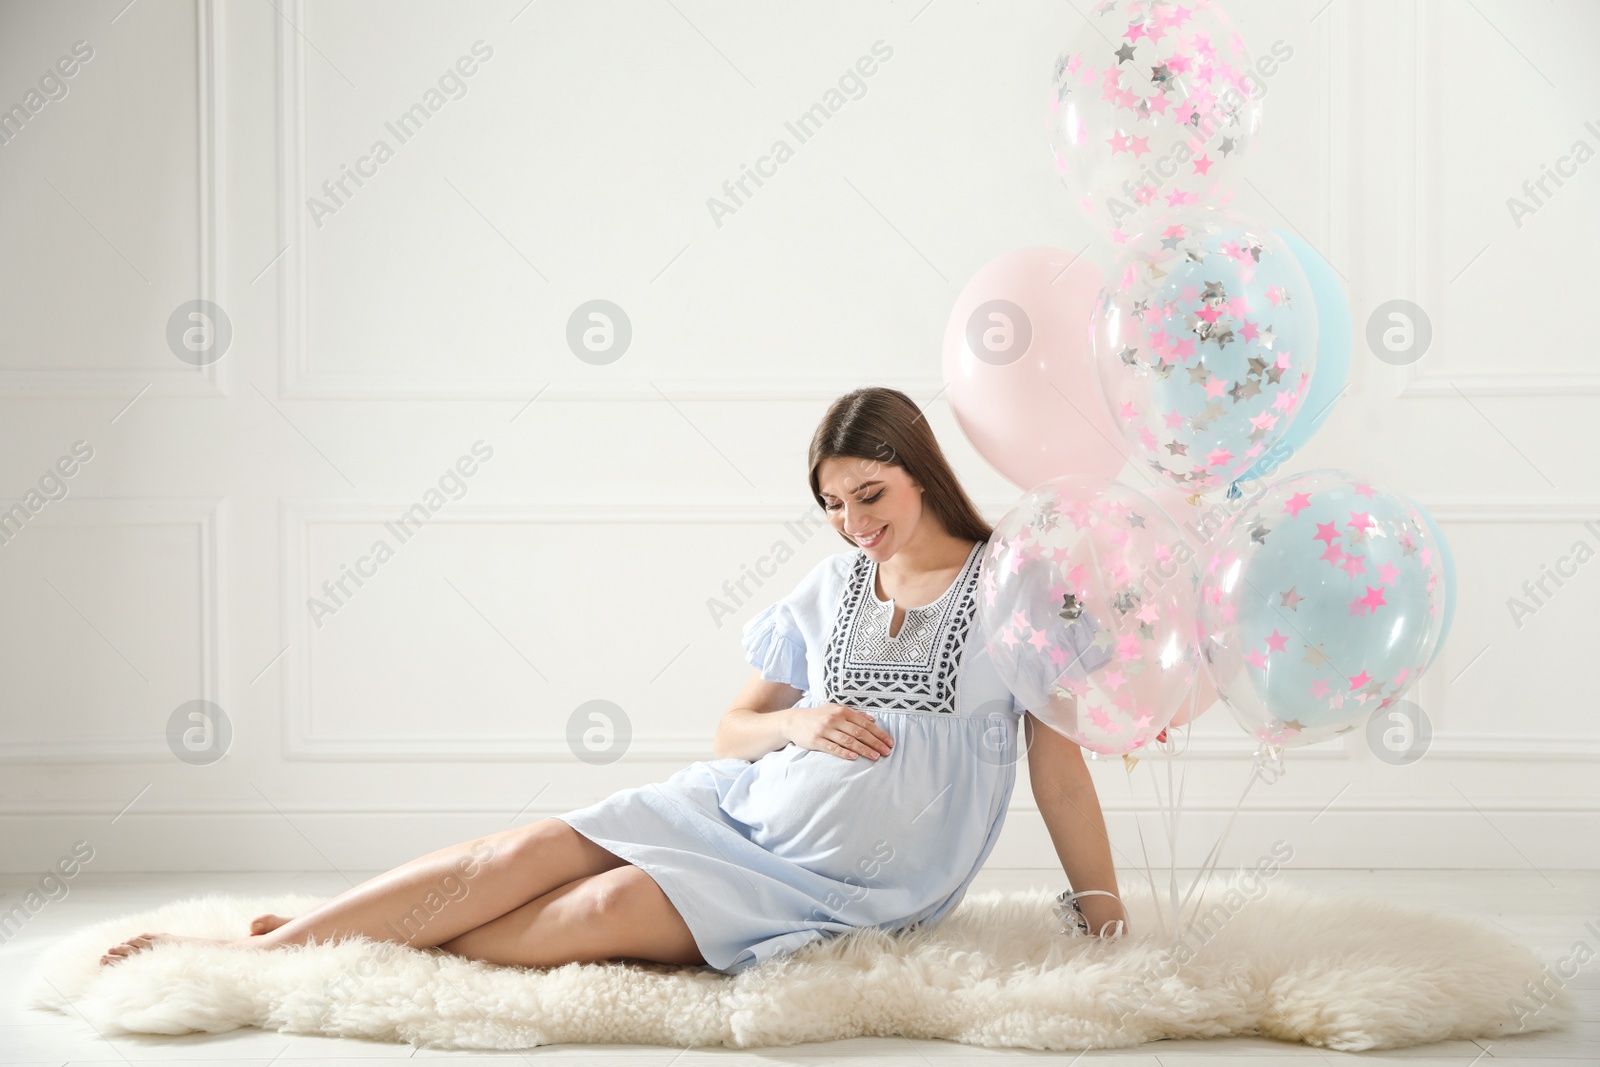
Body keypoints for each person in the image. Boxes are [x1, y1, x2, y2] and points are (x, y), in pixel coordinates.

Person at [100, 387, 1128, 973]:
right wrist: (799, 722)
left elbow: (1060, 772)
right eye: (830, 504)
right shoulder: (832, 586)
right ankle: (275, 949)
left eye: (871, 494)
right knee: (529, 846)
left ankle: (367, 942)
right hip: (737, 807)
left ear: (922, 473)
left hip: (851, 881)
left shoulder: (1015, 593)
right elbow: (732, 728)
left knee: (598, 911)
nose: (854, 522)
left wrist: (1105, 911)